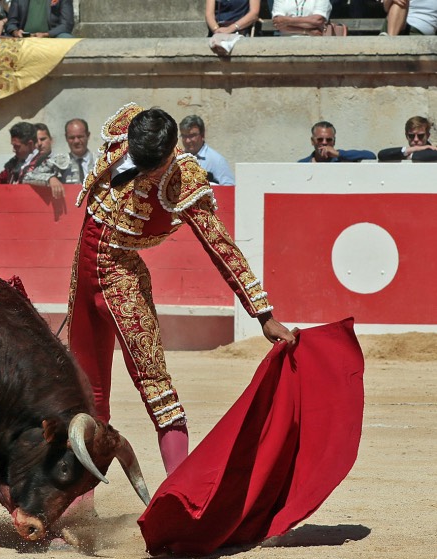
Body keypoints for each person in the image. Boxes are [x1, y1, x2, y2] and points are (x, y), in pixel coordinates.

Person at [67, 104, 295, 477]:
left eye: (149, 166)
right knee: (83, 393)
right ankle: (78, 506)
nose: (140, 170)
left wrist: (264, 315)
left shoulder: (184, 179)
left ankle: (181, 491)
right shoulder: (130, 127)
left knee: (156, 387)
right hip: (83, 272)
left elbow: (221, 246)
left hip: (123, 280)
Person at [178, 115, 236, 184]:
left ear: (202, 135)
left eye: (192, 136)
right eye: (184, 136)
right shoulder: (178, 159)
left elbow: (229, 188)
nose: (187, 141)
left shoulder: (217, 160)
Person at [298, 121, 376, 163]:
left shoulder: (342, 160)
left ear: (334, 141)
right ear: (312, 141)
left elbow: (370, 156)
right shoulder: (302, 165)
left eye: (329, 140)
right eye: (320, 139)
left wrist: (339, 154)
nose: (324, 143)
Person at [5, 0, 74, 37]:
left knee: (67, 38)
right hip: (24, 38)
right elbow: (11, 22)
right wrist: (16, 32)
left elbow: (67, 23)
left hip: (52, 36)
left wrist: (47, 34)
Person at [58, 118, 94, 185]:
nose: (76, 141)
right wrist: (51, 178)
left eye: (80, 137)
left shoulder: (100, 161)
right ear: (66, 138)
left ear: (88, 135)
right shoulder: (59, 164)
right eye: (72, 137)